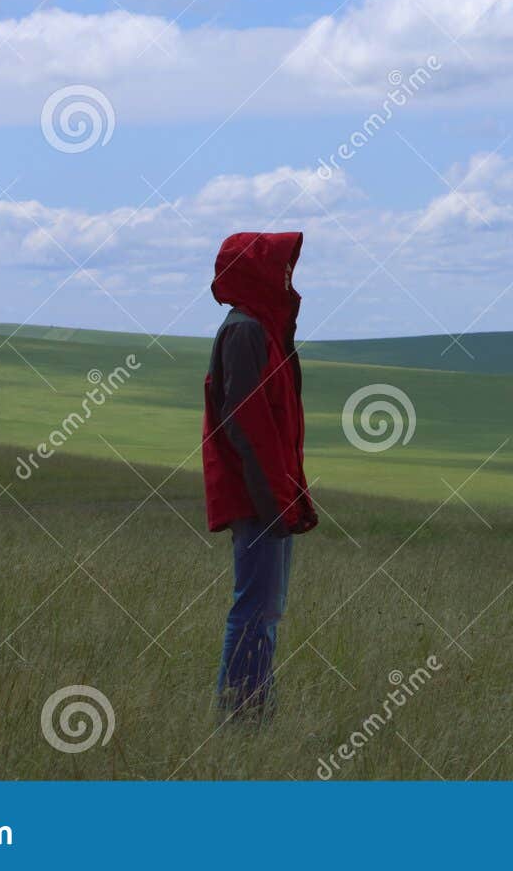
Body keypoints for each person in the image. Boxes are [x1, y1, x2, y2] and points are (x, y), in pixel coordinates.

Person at [201, 231, 318, 717]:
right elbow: (244, 422)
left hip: (269, 495)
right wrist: (272, 504)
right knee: (254, 609)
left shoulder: (260, 328)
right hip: (260, 500)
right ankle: (242, 714)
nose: (288, 278)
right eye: (280, 267)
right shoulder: (247, 330)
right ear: (255, 271)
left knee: (264, 609)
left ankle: (252, 706)